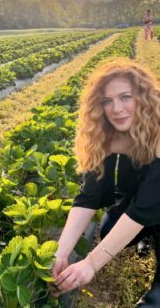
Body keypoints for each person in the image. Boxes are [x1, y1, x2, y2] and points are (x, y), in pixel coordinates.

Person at [51, 61, 160, 307]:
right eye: (107, 101)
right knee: (110, 230)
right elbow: (89, 196)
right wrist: (59, 252)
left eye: (125, 97)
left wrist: (91, 263)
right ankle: (148, 234)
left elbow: (144, 208)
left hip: (152, 202)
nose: (116, 109)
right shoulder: (108, 134)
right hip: (143, 201)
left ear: (143, 98)